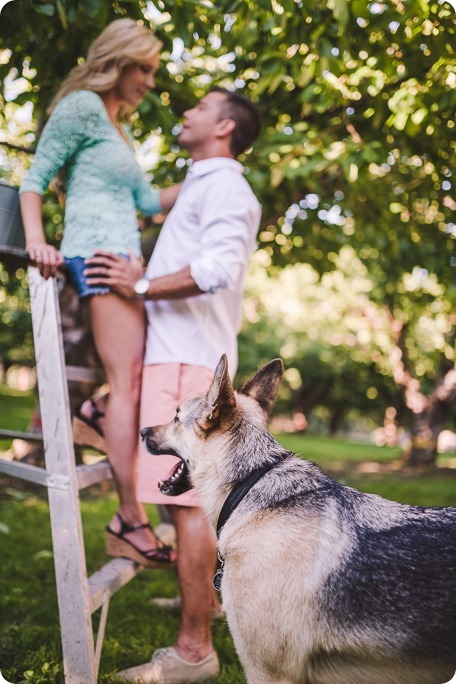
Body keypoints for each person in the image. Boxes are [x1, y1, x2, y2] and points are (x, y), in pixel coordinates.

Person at [84, 87, 262, 683]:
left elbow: (214, 270)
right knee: (182, 503)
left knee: (187, 509)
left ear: (225, 126)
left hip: (186, 364)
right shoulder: (202, 185)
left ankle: (193, 652)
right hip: (177, 358)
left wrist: (139, 284)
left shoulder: (227, 189)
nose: (186, 111)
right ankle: (205, 606)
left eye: (200, 107)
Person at [19, 18, 178, 569]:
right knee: (129, 386)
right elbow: (33, 181)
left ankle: (95, 411)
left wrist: (215, 172)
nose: (151, 82)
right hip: (97, 259)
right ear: (120, 61)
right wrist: (41, 244)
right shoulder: (83, 107)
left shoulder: (118, 129)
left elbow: (151, 202)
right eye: (146, 69)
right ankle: (129, 518)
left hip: (126, 266)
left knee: (134, 382)